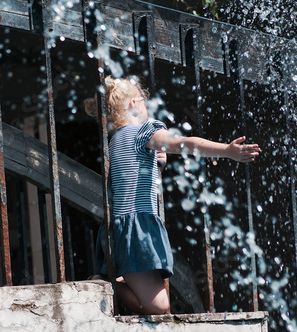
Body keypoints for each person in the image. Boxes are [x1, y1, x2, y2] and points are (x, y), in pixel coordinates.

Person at [85, 76, 261, 315]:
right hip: (136, 231)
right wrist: (227, 151)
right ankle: (103, 284)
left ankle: (106, 281)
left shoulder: (115, 140)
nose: (147, 107)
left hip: (118, 230)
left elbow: (128, 182)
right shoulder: (143, 132)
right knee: (159, 307)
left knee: (158, 306)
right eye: (145, 102)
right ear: (133, 104)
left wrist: (157, 167)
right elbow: (183, 144)